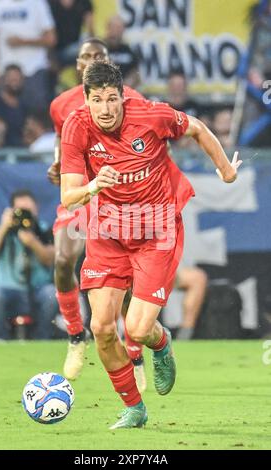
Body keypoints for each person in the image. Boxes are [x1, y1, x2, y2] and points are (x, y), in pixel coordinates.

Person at [60, 61, 242, 429]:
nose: (106, 109)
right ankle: (134, 408)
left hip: (155, 232)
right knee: (103, 329)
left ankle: (160, 344)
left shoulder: (152, 115)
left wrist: (225, 169)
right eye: (98, 100)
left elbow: (197, 128)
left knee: (139, 330)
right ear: (86, 100)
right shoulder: (76, 126)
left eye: (112, 99)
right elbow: (69, 196)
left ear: (123, 97)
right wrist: (94, 187)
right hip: (108, 235)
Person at [48, 38, 146, 390]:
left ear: (109, 63)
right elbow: (65, 143)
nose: (91, 61)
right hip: (80, 195)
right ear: (77, 64)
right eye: (86, 57)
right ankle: (76, 336)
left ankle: (134, 351)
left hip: (118, 199)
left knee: (126, 280)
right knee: (62, 260)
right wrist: (57, 163)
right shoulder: (61, 105)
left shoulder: (130, 98)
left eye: (98, 56)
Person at [0, 190, 57, 340]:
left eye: (28, 210)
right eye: (20, 211)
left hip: (37, 290)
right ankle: (0, 340)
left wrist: (33, 242)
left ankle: (42, 340)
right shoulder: (3, 230)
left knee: (51, 294)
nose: (24, 215)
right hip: (8, 291)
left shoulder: (44, 229)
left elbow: (50, 259)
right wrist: (3, 227)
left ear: (36, 209)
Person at [0, 0, 57, 109]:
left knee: (35, 118)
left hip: (33, 71)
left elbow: (51, 39)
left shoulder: (38, 3)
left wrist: (22, 42)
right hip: (5, 73)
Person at [104, 15, 140, 88]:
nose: (118, 31)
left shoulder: (128, 50)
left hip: (124, 90)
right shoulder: (99, 47)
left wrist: (131, 81)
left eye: (120, 28)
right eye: (115, 27)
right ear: (108, 28)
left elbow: (135, 72)